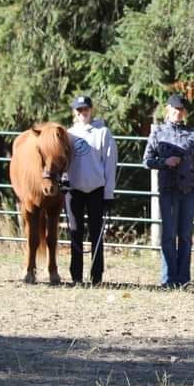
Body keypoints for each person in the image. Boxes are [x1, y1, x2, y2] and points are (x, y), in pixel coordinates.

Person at [143, 94, 194, 288]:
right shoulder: (158, 133)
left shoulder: (193, 134)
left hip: (189, 190)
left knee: (186, 235)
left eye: (180, 110)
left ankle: (184, 278)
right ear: (168, 109)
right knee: (169, 235)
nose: (177, 113)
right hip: (169, 189)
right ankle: (169, 278)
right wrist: (165, 162)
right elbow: (146, 161)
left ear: (184, 112)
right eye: (174, 110)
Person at [65, 95, 117, 286]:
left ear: (91, 110)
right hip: (74, 189)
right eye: (79, 110)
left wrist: (108, 193)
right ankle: (76, 275)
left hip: (96, 189)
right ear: (74, 113)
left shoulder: (103, 133)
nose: (82, 113)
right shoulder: (69, 134)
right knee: (75, 231)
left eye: (85, 109)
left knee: (96, 233)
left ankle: (97, 276)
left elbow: (110, 163)